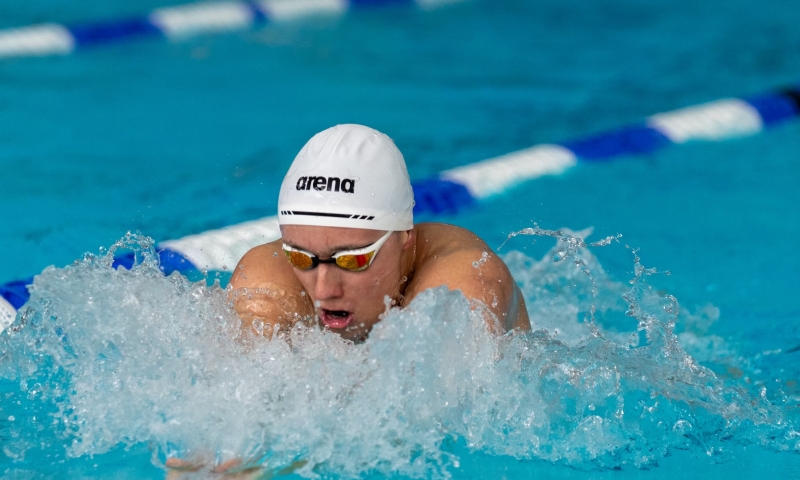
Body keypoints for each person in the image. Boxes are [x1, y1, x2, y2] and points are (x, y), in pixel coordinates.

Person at [229, 124, 530, 341]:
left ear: (405, 235)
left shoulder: (465, 281)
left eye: (351, 259)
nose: (324, 291)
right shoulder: (264, 279)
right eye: (300, 257)